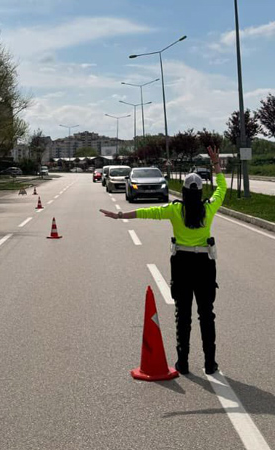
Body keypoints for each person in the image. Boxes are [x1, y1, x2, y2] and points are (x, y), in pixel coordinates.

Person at [100, 146, 226, 375]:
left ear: (185, 191)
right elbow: (222, 189)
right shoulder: (209, 208)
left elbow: (147, 212)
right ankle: (210, 363)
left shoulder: (174, 210)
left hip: (182, 264)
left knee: (183, 314)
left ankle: (183, 363)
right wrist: (216, 165)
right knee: (206, 314)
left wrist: (119, 215)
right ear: (200, 192)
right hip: (205, 264)